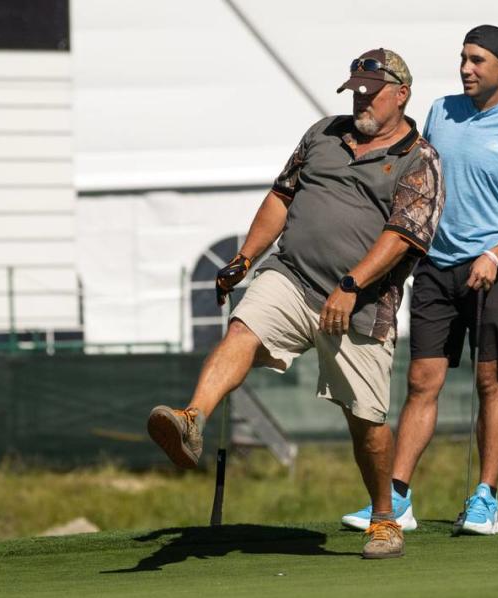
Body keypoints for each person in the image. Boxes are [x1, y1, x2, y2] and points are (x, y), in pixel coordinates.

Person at [147, 48, 444, 559]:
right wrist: (243, 259)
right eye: (355, 91)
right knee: (243, 328)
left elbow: (403, 237)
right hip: (292, 275)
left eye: (372, 92)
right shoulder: (322, 134)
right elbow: (282, 198)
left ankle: (384, 517)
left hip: (361, 304)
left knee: (367, 421)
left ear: (402, 94)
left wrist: (350, 286)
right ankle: (191, 420)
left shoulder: (421, 160)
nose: (362, 100)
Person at [342, 25, 498, 535]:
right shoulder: (440, 111)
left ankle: (486, 498)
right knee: (422, 382)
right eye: (463, 58)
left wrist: (496, 254)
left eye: (477, 60)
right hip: (435, 267)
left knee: (490, 381)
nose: (466, 68)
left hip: (494, 270)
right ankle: (396, 497)